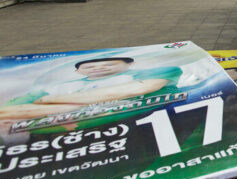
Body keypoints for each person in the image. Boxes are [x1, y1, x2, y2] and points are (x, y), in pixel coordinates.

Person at [0, 57, 182, 138]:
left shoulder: (160, 72)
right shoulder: (56, 87)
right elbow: (11, 111)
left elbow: (131, 90)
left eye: (109, 64)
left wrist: (52, 101)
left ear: (129, 64)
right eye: (89, 67)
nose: (99, 68)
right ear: (77, 71)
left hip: (137, 128)